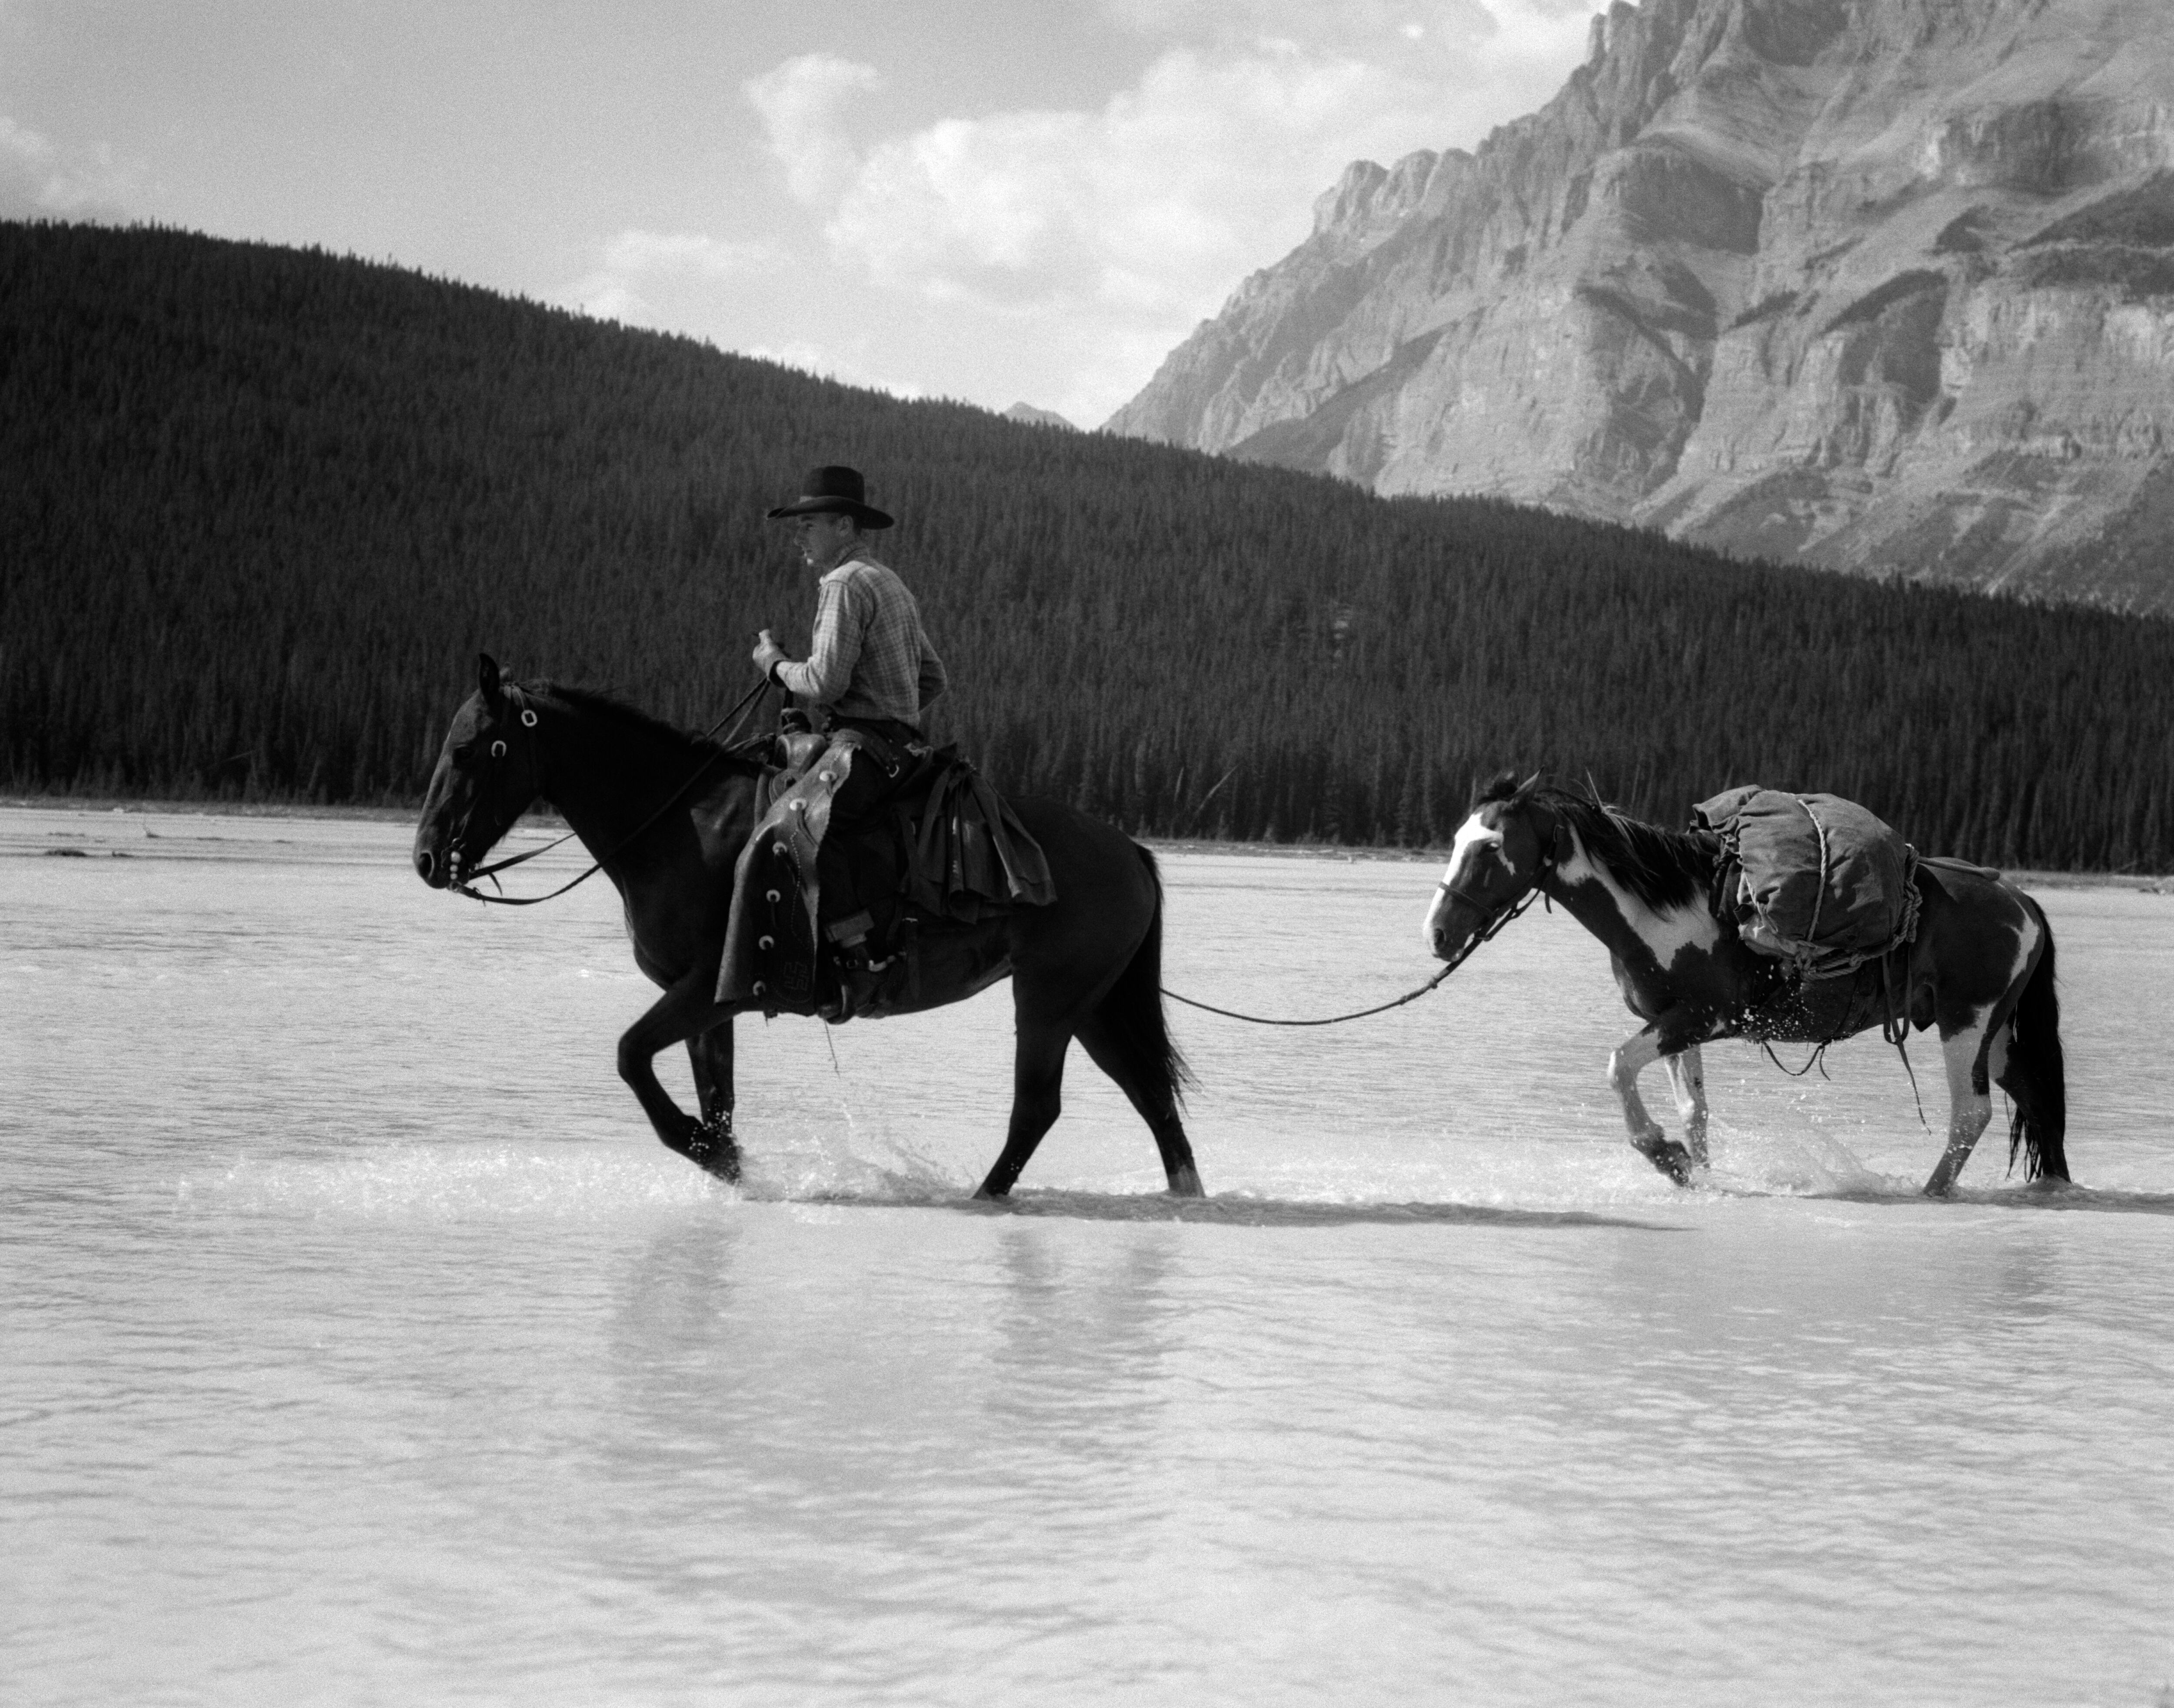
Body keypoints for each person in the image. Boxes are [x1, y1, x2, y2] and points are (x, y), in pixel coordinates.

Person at [749, 465, 948, 1006]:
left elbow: (823, 681)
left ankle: (858, 955)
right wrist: (894, 711)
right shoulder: (888, 580)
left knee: (795, 822)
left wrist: (774, 665)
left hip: (865, 748)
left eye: (808, 524)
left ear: (843, 525)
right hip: (903, 751)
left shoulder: (842, 583)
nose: (798, 536)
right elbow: (934, 677)